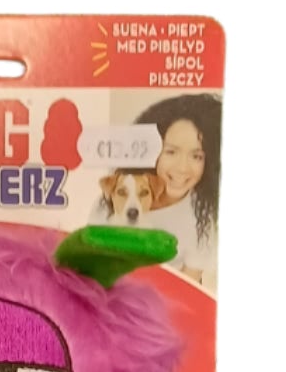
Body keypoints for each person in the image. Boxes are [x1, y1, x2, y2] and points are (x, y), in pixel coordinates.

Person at [91, 94, 221, 287]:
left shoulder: (201, 223)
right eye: (171, 152)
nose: (182, 167)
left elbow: (185, 289)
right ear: (152, 151)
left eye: (197, 156)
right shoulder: (108, 204)